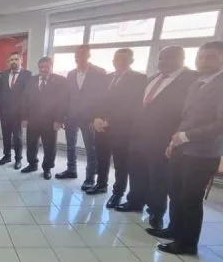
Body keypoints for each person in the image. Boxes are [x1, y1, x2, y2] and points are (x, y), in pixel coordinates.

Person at [153, 41, 223, 255]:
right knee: (175, 191)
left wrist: (185, 136)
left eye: (210, 57)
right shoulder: (197, 83)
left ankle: (187, 243)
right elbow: (186, 118)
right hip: (181, 148)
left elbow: (220, 124)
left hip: (202, 153)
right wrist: (173, 142)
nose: (203, 61)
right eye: (200, 57)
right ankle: (174, 229)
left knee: (190, 198)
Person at [117, 46, 197, 230]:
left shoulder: (190, 80)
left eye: (169, 58)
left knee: (158, 176)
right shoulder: (153, 78)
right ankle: (135, 201)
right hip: (139, 136)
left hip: (163, 138)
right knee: (137, 171)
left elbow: (188, 112)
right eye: (161, 58)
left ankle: (156, 211)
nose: (163, 62)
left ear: (181, 59)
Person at [88, 48, 147, 208]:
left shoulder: (140, 79)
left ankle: (117, 193)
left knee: (121, 163)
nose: (119, 62)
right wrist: (96, 118)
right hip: (101, 127)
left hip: (122, 128)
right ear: (113, 61)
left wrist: (110, 120)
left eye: (124, 59)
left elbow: (133, 105)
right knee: (102, 158)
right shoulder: (106, 78)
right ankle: (101, 184)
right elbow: (97, 100)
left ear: (131, 61)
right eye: (117, 59)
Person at [56, 45, 107, 190]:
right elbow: (67, 96)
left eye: (83, 54)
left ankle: (90, 178)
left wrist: (98, 116)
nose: (79, 57)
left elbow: (103, 97)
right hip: (71, 115)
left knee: (91, 148)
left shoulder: (99, 72)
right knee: (70, 145)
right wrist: (63, 115)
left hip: (89, 117)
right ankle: (71, 170)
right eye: (77, 55)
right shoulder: (71, 74)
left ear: (89, 55)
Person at [20, 57, 69, 180]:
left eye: (46, 66)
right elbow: (25, 99)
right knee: (31, 144)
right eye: (41, 67)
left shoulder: (61, 81)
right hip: (32, 119)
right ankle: (32, 164)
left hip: (50, 121)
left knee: (49, 146)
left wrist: (59, 120)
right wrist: (24, 118)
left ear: (52, 66)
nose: (44, 69)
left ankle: (47, 168)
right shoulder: (31, 80)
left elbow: (63, 102)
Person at [0, 52, 32, 170]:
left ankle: (18, 159)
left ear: (21, 60)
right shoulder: (3, 74)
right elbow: (0, 93)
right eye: (11, 59)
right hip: (5, 112)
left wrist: (26, 115)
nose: (13, 61)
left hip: (19, 113)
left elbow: (28, 96)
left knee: (17, 138)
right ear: (9, 62)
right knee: (6, 136)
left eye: (16, 59)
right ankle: (7, 156)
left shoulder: (28, 75)